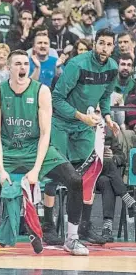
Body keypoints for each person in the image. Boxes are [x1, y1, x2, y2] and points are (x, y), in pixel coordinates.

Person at [0, 49, 90, 256]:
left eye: (25, 64)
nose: (22, 67)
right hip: (5, 147)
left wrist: (36, 170)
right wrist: (1, 171)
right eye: (18, 64)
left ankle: (72, 239)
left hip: (35, 147)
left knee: (75, 180)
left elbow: (46, 134)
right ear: (9, 68)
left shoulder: (41, 91)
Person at [42, 28, 120, 246]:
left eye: (108, 44)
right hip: (62, 123)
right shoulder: (77, 64)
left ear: (113, 47)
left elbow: (105, 97)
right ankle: (48, 225)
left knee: (89, 175)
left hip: (85, 126)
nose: (104, 48)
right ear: (95, 44)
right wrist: (79, 116)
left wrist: (107, 116)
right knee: (56, 174)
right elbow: (57, 99)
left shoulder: (113, 68)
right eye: (101, 43)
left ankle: (84, 226)